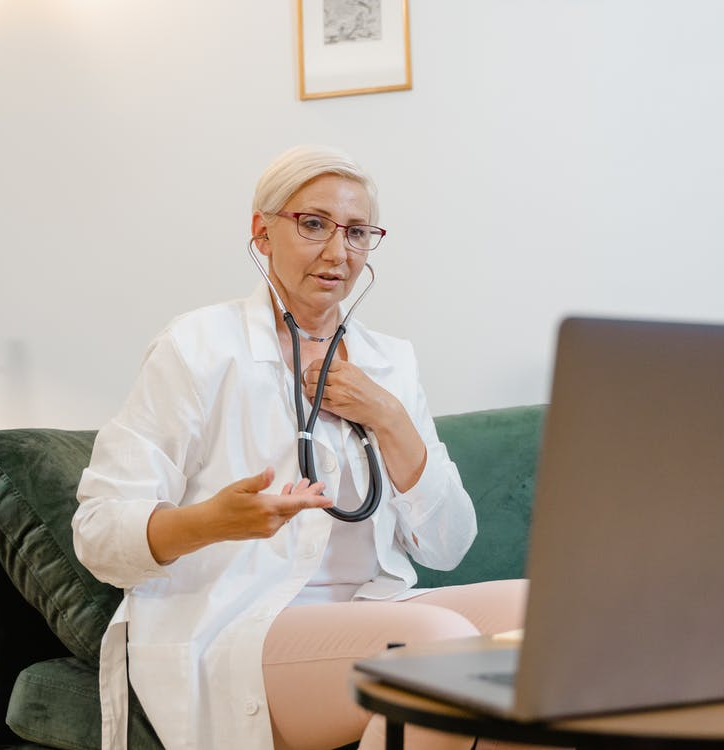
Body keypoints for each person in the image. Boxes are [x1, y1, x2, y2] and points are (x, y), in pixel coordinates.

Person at [73, 145, 529, 750]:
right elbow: (100, 533)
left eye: (358, 232)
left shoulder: (389, 363)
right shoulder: (199, 347)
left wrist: (388, 417)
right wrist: (211, 522)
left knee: (545, 625)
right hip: (240, 624)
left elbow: (448, 547)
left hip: (373, 606)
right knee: (433, 647)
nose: (339, 253)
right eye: (313, 225)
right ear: (262, 232)